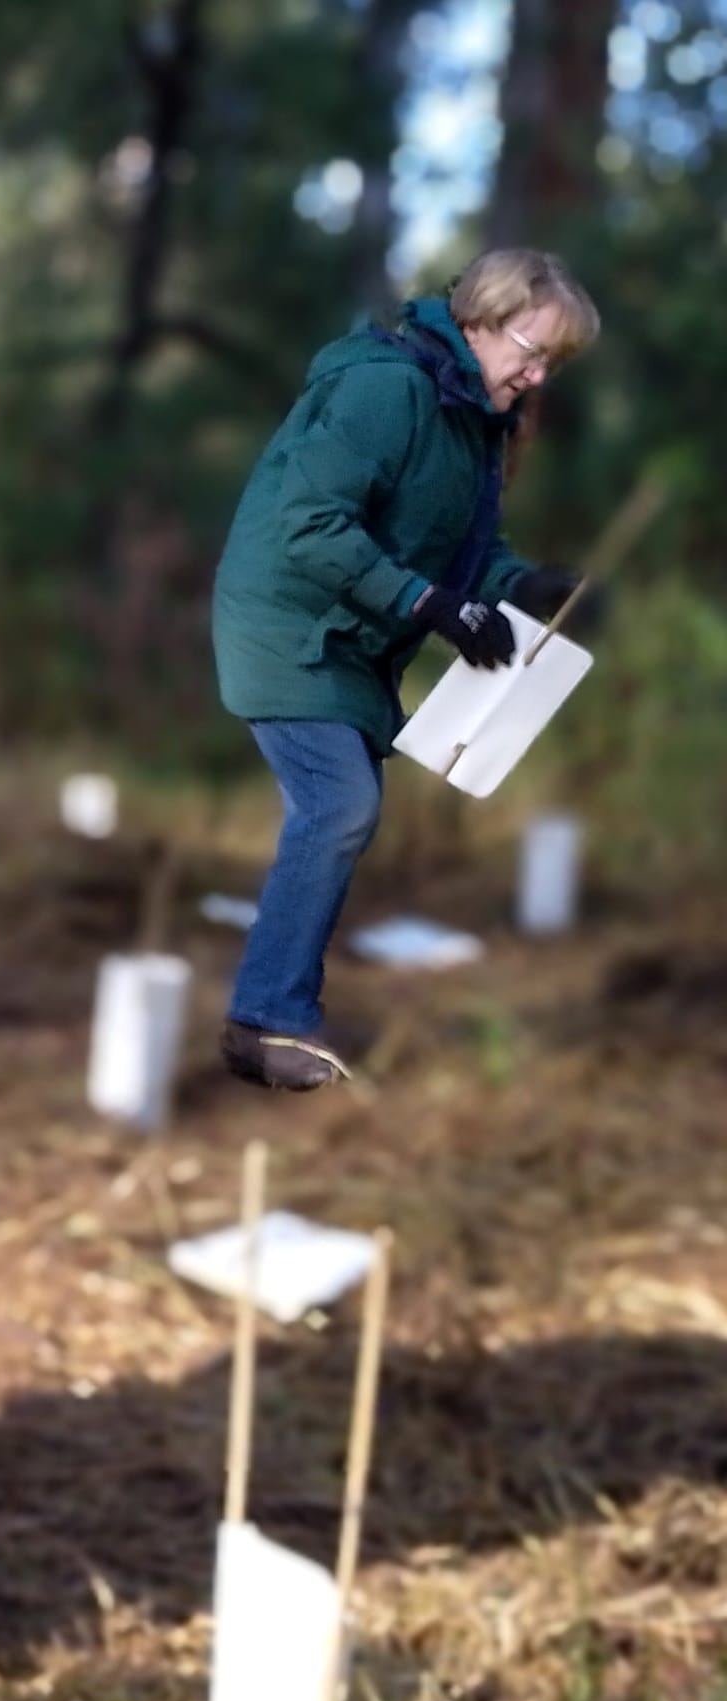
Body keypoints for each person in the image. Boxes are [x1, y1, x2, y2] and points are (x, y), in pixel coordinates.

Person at [213, 248, 601, 1089]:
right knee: (338, 802)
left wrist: (525, 586)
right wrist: (429, 605)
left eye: (550, 364)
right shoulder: (386, 389)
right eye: (530, 352)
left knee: (347, 807)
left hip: (351, 638)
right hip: (287, 623)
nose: (536, 378)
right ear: (478, 321)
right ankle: (264, 1020)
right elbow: (309, 526)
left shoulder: (477, 423)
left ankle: (276, 1009)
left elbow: (469, 555)